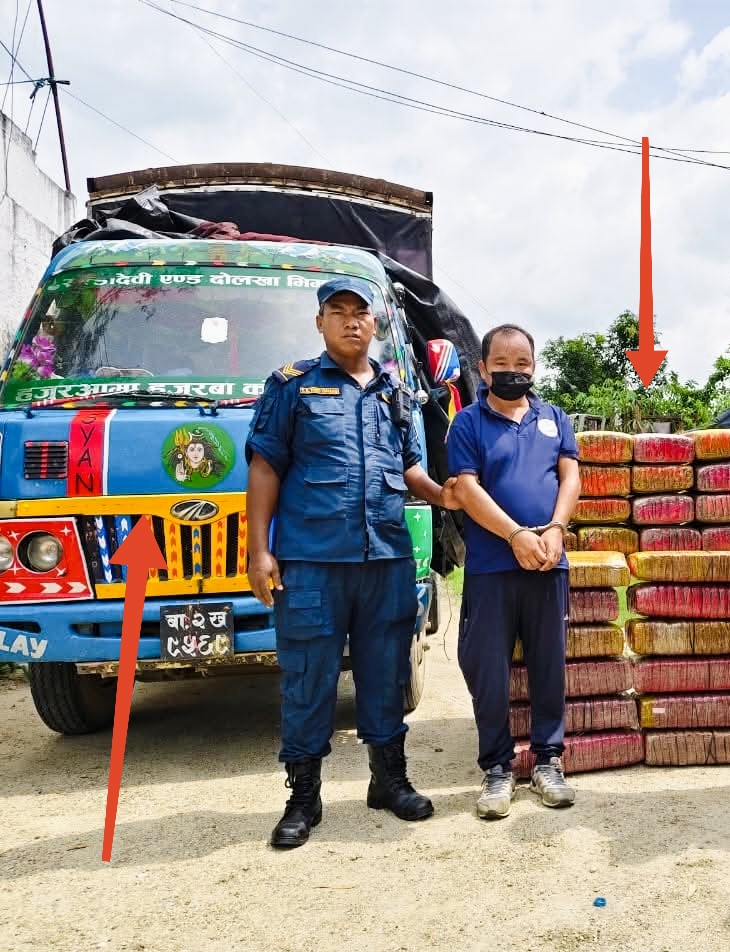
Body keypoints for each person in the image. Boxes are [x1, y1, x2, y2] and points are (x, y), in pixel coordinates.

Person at [245, 275, 457, 849]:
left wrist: (443, 495)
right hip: (312, 560)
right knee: (309, 677)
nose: (350, 321)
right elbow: (265, 466)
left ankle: (389, 781)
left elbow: (412, 469)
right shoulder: (292, 387)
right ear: (320, 322)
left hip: (385, 557)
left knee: (386, 672)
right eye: (336, 311)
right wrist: (258, 548)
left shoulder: (395, 393)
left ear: (375, 322)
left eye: (360, 312)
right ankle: (303, 797)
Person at [445, 323, 581, 820]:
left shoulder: (554, 417)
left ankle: (548, 761)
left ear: (533, 367)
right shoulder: (468, 424)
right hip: (491, 566)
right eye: (501, 365)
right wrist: (515, 536)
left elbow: (570, 475)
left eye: (521, 365)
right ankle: (498, 767)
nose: (512, 373)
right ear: (482, 369)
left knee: (549, 664)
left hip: (548, 562)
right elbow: (465, 487)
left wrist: (556, 529)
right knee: (488, 669)